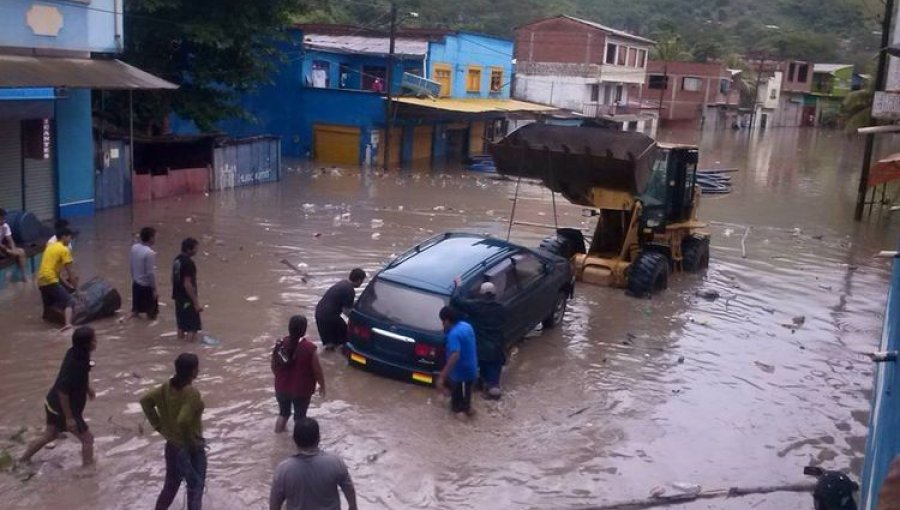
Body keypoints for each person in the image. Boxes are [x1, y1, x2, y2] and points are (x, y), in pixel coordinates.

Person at [20, 327, 97, 467]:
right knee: (88, 439)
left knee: (50, 435)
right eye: (94, 339)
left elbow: (81, 375)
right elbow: (63, 391)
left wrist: (87, 388)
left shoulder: (76, 352)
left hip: (51, 402)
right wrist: (69, 418)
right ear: (87, 344)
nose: (96, 341)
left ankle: (23, 459)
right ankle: (87, 470)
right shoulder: (76, 364)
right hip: (63, 407)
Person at [140, 353, 206, 510]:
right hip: (190, 449)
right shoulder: (191, 393)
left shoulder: (166, 388)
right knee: (195, 489)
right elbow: (183, 420)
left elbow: (145, 402)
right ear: (194, 371)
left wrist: (159, 427)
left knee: (170, 487)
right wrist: (191, 443)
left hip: (172, 446)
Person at [269, 417, 357, 510]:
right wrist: (353, 507)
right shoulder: (335, 462)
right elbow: (349, 490)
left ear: (294, 439)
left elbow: (274, 504)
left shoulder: (283, 470)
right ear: (318, 438)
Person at [453, 281, 507, 399]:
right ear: (494, 295)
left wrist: (458, 286)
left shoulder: (476, 307)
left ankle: (481, 387)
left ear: (482, 294)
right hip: (496, 349)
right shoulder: (501, 309)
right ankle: (492, 391)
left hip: (480, 348)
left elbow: (457, 301)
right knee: (494, 384)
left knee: (477, 376)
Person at [272, 315, 326, 433]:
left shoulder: (280, 344)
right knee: (300, 418)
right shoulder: (309, 348)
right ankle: (298, 442)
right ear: (304, 330)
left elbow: (274, 366)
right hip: (301, 390)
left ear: (289, 328)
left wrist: (281, 379)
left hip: (281, 387)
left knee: (283, 414)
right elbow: (317, 370)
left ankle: (278, 438)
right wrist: (322, 385)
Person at [436, 306, 478, 418]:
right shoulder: (466, 326)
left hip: (462, 376)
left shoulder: (453, 335)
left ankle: (463, 431)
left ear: (447, 321)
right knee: (464, 403)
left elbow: (455, 355)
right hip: (470, 371)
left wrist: (442, 376)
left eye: (442, 322)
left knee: (460, 412)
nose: (442, 325)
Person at [315, 268, 366, 351]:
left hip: (319, 313)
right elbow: (346, 311)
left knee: (330, 344)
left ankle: (329, 360)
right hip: (329, 317)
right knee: (346, 337)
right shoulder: (350, 290)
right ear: (359, 280)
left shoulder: (342, 283)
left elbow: (343, 303)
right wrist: (358, 321)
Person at [37, 227, 78, 330]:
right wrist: (77, 290)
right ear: (64, 237)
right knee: (69, 301)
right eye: (69, 237)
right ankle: (68, 325)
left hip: (41, 280)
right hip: (50, 279)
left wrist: (68, 286)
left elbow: (58, 274)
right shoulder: (64, 250)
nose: (70, 240)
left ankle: (45, 326)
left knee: (48, 307)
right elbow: (71, 272)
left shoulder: (50, 247)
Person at [125, 227, 159, 321]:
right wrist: (154, 289)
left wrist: (134, 278)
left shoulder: (134, 247)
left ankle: (124, 321)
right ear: (151, 238)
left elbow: (131, 265)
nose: (156, 239)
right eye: (155, 237)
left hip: (136, 284)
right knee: (152, 315)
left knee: (135, 311)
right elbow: (150, 273)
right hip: (146, 287)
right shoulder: (150, 253)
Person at [172, 238, 202, 342]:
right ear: (189, 249)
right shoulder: (189, 263)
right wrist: (196, 303)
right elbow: (187, 283)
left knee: (181, 326)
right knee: (193, 327)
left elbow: (173, 278)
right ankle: (188, 348)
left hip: (178, 297)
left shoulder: (177, 260)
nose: (197, 250)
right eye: (195, 248)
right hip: (187, 300)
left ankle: (179, 345)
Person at [0, 208, 28, 282]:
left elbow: (10, 239)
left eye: (4, 218)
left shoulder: (5, 226)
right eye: (2, 219)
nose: (4, 220)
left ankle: (24, 276)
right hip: (1, 248)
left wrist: (13, 249)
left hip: (3, 249)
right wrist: (6, 249)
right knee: (6, 250)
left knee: (21, 251)